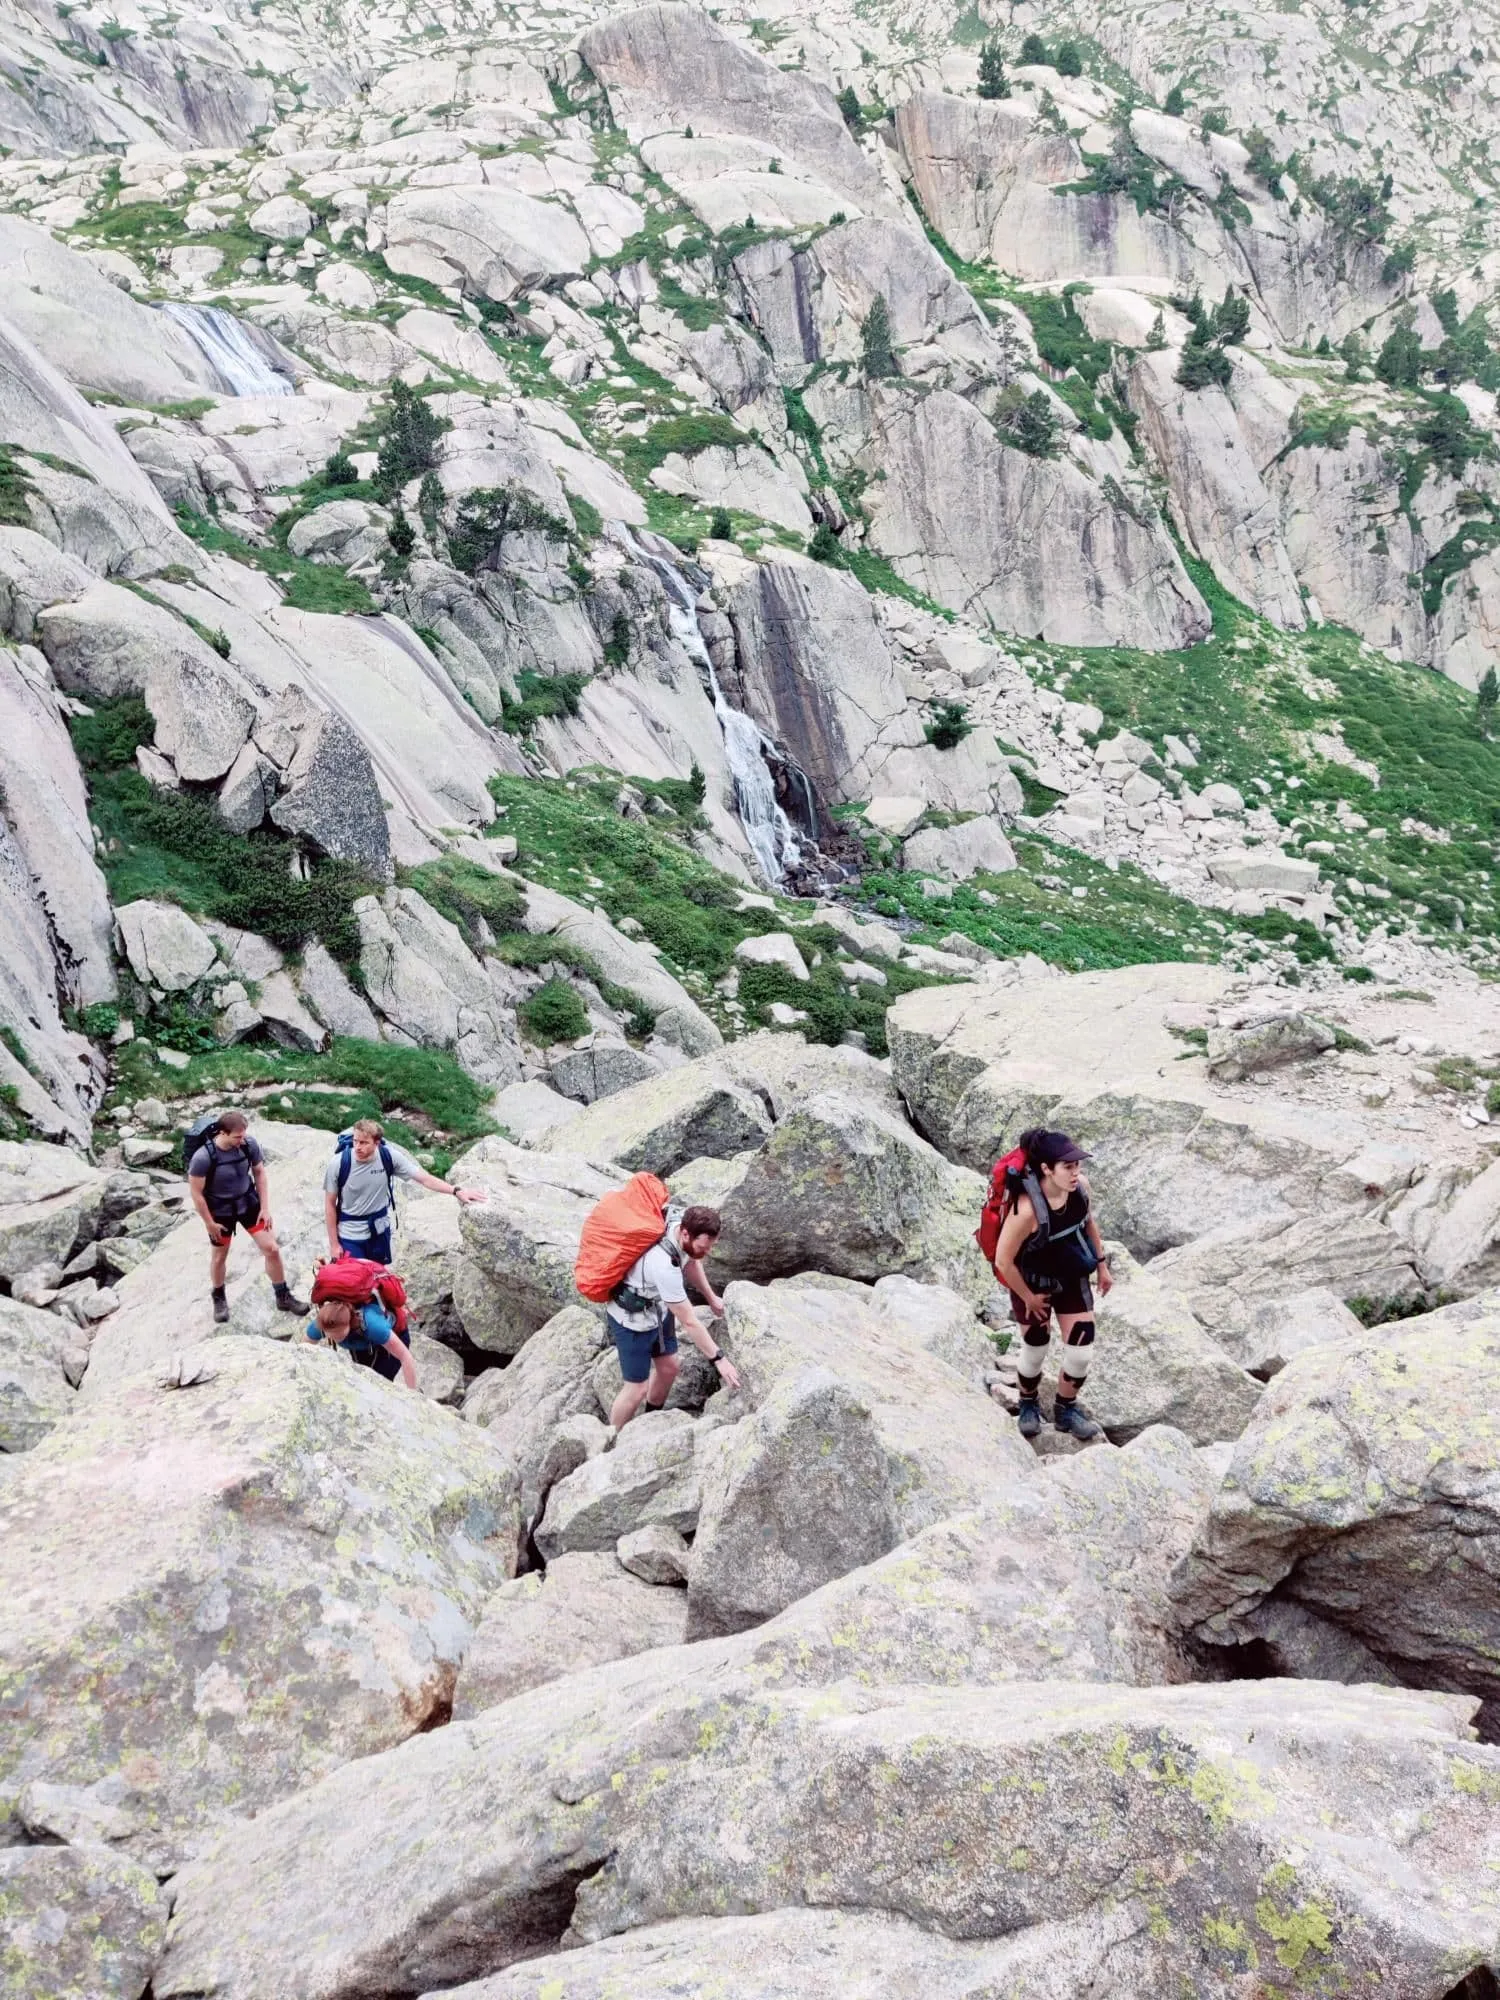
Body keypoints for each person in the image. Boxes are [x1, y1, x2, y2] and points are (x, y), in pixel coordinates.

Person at [990, 1128, 1113, 1442]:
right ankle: (1028, 1402)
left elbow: (1087, 1223)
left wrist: (1101, 1266)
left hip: (1071, 1276)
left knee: (1081, 1353)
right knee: (1035, 1347)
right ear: (1046, 1169)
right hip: (1031, 1283)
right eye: (1068, 1167)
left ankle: (1065, 1409)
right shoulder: (1026, 1210)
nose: (1076, 1173)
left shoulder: (1080, 1189)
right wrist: (1028, 1297)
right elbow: (1004, 1261)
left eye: (1077, 1166)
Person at [607, 1203, 741, 1431]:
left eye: (710, 1246)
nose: (706, 1252)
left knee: (669, 1367)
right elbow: (689, 1320)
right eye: (703, 1246)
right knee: (636, 1388)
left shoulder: (679, 1225)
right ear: (686, 1233)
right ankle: (610, 1438)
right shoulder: (663, 1266)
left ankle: (650, 1420)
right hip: (631, 1320)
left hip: (658, 1309)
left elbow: (690, 1261)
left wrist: (710, 1297)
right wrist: (719, 1359)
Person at [187, 1110, 308, 1325]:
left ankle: (282, 1295)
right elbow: (196, 1193)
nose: (242, 1140)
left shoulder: (248, 1145)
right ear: (223, 1133)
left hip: (248, 1203)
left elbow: (259, 1172)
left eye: (244, 1135)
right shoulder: (203, 1157)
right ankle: (219, 1297)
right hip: (220, 1212)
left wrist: (265, 1207)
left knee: (272, 1248)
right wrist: (209, 1223)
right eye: (237, 1136)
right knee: (219, 1256)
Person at [324, 1118, 487, 1266]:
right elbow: (330, 1204)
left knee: (378, 1281)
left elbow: (424, 1179)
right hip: (350, 1235)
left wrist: (456, 1190)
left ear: (377, 1143)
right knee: (354, 1284)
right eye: (355, 1141)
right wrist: (334, 1245)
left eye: (364, 1143)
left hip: (379, 1232)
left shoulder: (388, 1157)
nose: (357, 1147)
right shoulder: (339, 1164)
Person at [305, 1296, 417, 1388]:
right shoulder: (324, 1323)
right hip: (361, 1344)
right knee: (363, 1382)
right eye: (328, 1333)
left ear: (349, 1323)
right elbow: (302, 1351)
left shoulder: (374, 1326)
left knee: (380, 1384)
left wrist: (414, 1397)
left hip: (390, 1341)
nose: (332, 1337)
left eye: (337, 1334)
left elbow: (405, 1357)